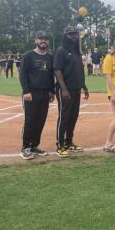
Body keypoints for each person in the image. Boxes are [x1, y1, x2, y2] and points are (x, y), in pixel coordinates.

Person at [53, 25, 89, 157]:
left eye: (75, 34)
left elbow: (79, 70)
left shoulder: (76, 51)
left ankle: (69, 142)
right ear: (65, 36)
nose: (74, 36)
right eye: (71, 34)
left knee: (73, 116)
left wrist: (84, 86)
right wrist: (63, 89)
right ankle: (60, 144)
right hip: (65, 90)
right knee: (64, 116)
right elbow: (57, 70)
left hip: (76, 88)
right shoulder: (61, 51)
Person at [19, 31, 55, 160]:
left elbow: (51, 76)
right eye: (40, 39)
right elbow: (22, 74)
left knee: (40, 121)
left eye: (45, 39)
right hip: (31, 93)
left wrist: (52, 91)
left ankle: (34, 145)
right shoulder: (28, 56)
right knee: (30, 120)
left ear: (48, 42)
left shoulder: (50, 58)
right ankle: (25, 147)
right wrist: (26, 91)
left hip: (44, 93)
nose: (43, 41)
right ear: (36, 41)